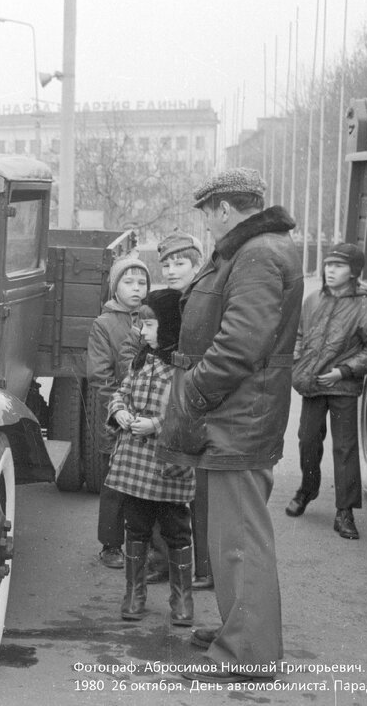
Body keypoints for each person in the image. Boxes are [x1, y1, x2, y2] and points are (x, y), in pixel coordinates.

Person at [155, 168, 303, 684]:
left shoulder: (257, 253)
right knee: (227, 534)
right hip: (236, 413)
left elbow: (242, 342)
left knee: (239, 537)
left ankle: (250, 653)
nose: (207, 224)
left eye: (207, 213)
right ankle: (236, 631)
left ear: (222, 209)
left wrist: (192, 392)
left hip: (235, 415)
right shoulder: (254, 249)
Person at [287, 243, 367, 539]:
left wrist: (344, 371)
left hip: (343, 387)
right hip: (314, 385)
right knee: (307, 441)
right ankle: (307, 489)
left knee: (344, 449)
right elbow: (298, 334)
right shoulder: (312, 299)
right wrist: (298, 362)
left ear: (354, 272)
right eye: (328, 264)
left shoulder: (364, 306)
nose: (330, 270)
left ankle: (345, 512)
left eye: (338, 266)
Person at [105, 289, 194, 626]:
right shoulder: (142, 360)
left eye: (150, 325)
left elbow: (188, 411)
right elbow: (121, 392)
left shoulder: (184, 368)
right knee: (136, 526)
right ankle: (134, 594)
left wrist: (155, 425)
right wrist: (121, 412)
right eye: (141, 325)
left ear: (169, 326)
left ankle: (182, 599)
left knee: (177, 530)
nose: (142, 331)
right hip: (136, 464)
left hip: (168, 462)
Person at [144, 232, 214, 590]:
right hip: (171, 392)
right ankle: (168, 562)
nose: (171, 270)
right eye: (166, 264)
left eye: (179, 263)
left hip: (197, 394)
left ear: (196, 264)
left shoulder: (204, 298)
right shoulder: (165, 302)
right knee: (166, 479)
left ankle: (204, 567)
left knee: (198, 488)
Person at [89, 256, 148, 568]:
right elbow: (100, 376)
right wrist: (119, 410)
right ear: (115, 287)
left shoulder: (152, 319)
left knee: (145, 483)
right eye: (129, 282)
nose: (136, 288)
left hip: (149, 414)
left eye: (141, 283)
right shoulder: (104, 324)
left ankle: (143, 544)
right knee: (114, 486)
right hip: (117, 415)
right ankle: (110, 545)